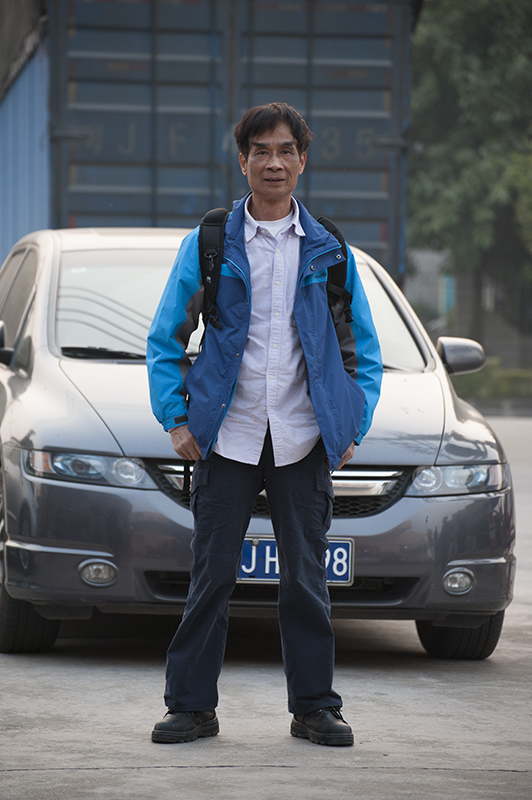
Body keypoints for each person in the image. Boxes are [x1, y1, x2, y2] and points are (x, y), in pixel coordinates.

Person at [146, 102, 382, 747]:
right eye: (260, 151)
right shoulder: (211, 244)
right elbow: (165, 338)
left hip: (303, 439)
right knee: (211, 578)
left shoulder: (329, 251)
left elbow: (362, 351)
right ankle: (191, 706)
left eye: (285, 151)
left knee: (306, 581)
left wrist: (350, 424)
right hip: (227, 436)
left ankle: (316, 708)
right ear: (242, 160)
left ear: (302, 160)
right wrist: (176, 420)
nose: (273, 163)